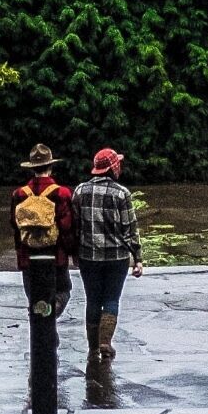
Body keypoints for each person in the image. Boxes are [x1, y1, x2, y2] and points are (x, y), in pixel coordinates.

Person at [72, 146, 143, 367]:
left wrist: (74, 252)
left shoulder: (80, 191)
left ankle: (93, 347)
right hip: (117, 257)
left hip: (88, 255)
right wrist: (138, 257)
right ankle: (106, 343)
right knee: (111, 299)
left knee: (92, 299)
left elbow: (74, 225)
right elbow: (130, 228)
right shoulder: (122, 193)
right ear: (113, 167)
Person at [10, 143, 75, 321]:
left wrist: (20, 253)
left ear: (32, 168)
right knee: (63, 293)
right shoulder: (62, 194)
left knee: (35, 299)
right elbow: (67, 228)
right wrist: (71, 252)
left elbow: (15, 226)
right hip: (56, 256)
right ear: (51, 166)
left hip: (27, 256)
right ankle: (48, 323)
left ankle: (42, 333)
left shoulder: (19, 194)